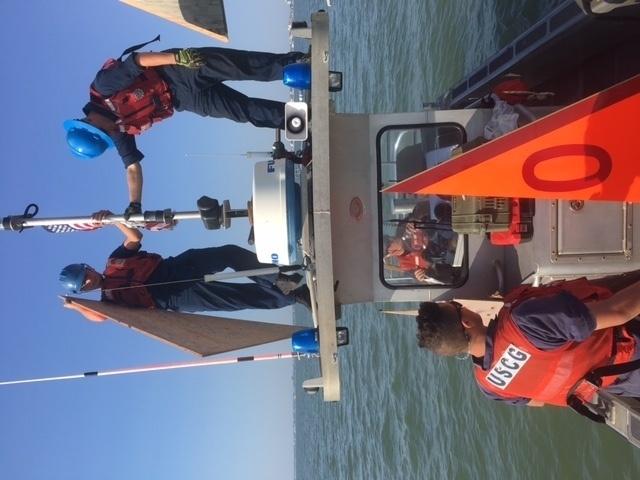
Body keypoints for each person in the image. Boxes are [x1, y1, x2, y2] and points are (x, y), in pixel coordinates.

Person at [63, 41, 307, 218]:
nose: (111, 134)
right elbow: (132, 166)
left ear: (91, 123)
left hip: (177, 69)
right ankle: (302, 120)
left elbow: (136, 61)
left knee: (240, 66)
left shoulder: (104, 88)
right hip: (182, 100)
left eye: (104, 134)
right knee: (242, 111)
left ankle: (295, 64)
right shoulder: (116, 129)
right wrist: (134, 204)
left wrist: (178, 59)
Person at [414, 272, 640, 413]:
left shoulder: (490, 387)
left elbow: (539, 401)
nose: (461, 305)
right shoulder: (526, 320)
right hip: (633, 346)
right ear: (466, 321)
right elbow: (619, 311)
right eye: (456, 305)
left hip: (621, 383)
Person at [60, 210, 311, 320]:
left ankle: (279, 281)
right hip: (174, 297)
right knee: (237, 299)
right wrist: (76, 306)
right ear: (85, 291)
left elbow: (135, 238)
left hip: (177, 266)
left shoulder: (113, 260)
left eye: (85, 274)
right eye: (83, 284)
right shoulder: (106, 303)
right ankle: (294, 296)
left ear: (89, 267)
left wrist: (111, 220)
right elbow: (100, 318)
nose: (88, 280)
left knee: (228, 253)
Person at [384, 201, 459, 284]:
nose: (391, 239)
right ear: (388, 254)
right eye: (388, 244)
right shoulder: (407, 267)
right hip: (450, 255)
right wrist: (424, 275)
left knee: (446, 227)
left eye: (388, 238)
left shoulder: (402, 226)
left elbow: (426, 204)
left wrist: (415, 218)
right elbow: (433, 281)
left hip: (446, 230)